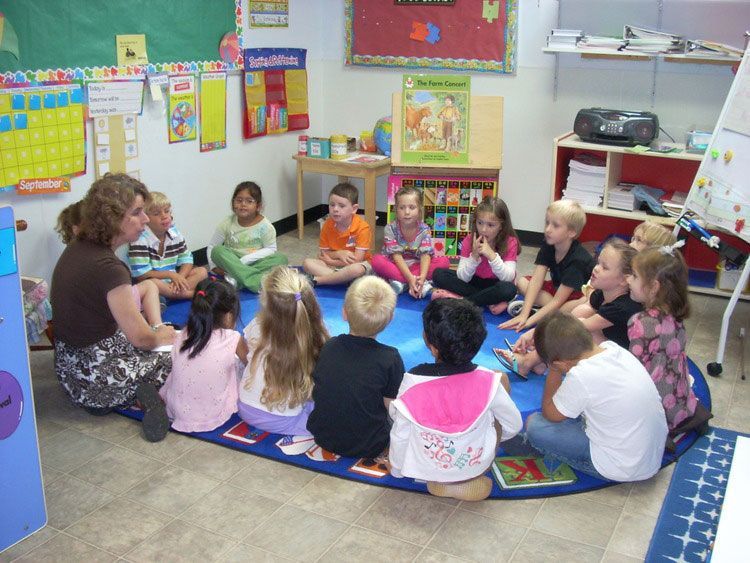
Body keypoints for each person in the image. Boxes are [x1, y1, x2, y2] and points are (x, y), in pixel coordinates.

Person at [50, 173, 176, 441]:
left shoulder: (77, 248)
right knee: (181, 352)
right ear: (112, 217)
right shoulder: (110, 269)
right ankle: (142, 392)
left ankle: (139, 390)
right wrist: (161, 335)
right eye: (137, 212)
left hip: (69, 372)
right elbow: (142, 339)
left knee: (143, 342)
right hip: (97, 381)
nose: (145, 219)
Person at [389, 299, 522, 502]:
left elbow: (400, 432)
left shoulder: (412, 381)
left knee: (403, 416)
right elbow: (514, 425)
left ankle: (437, 480)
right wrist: (491, 439)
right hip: (474, 464)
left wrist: (397, 469)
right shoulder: (489, 381)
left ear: (431, 346)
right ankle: (464, 478)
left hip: (424, 465)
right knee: (496, 407)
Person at [521, 312, 668, 482]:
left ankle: (544, 452)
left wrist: (553, 369)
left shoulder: (581, 375)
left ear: (561, 363)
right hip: (650, 457)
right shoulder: (615, 349)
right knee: (578, 408)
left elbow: (550, 414)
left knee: (535, 425)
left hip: (619, 467)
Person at [500, 239, 641, 377]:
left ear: (624, 280)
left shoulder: (624, 306)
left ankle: (528, 362)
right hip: (604, 347)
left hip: (618, 365)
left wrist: (536, 332)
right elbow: (572, 316)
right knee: (581, 311)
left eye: (605, 267)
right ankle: (542, 360)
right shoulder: (602, 293)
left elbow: (575, 327)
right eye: (598, 263)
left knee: (576, 330)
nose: (596, 268)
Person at [307, 276, 404, 458]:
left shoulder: (329, 346)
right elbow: (391, 406)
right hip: (369, 444)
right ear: (390, 319)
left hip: (322, 435)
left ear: (344, 313)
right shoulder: (390, 358)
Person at [627, 243, 712, 436]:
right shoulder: (675, 314)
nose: (628, 280)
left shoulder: (640, 322)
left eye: (634, 276)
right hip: (679, 400)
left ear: (654, 287)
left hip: (655, 407)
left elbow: (633, 371)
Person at [238, 266, 329, 436]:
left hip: (245, 408)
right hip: (285, 419)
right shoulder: (313, 332)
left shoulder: (256, 325)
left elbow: (247, 356)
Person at [159, 279, 248, 432]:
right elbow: (251, 363)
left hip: (177, 409)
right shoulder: (232, 338)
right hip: (211, 413)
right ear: (228, 316)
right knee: (240, 370)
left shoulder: (184, 334)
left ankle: (159, 403)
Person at [56, 200, 163, 324]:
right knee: (152, 287)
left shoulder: (78, 251)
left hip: (102, 308)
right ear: (77, 229)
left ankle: (153, 319)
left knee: (151, 287)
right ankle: (155, 323)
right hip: (102, 315)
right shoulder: (101, 261)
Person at [499, 200, 594, 332]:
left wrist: (529, 321)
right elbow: (536, 280)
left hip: (574, 294)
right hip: (556, 290)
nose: (548, 229)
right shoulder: (550, 243)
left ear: (571, 232)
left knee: (581, 304)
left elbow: (558, 300)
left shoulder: (578, 260)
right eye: (547, 222)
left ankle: (545, 312)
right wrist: (524, 314)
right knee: (522, 282)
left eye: (555, 226)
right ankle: (546, 312)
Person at [432, 197, 520, 315]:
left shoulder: (510, 242)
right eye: (480, 223)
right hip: (472, 282)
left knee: (509, 289)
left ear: (501, 226)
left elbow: (508, 278)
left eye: (490, 225)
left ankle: (461, 301)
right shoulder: (469, 240)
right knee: (438, 274)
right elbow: (463, 278)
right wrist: (473, 257)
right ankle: (486, 300)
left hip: (495, 284)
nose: (483, 229)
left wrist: (492, 256)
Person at [207, 181, 288, 292]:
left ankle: (237, 279)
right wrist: (213, 267)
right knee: (217, 251)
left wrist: (245, 260)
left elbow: (271, 249)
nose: (243, 204)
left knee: (281, 259)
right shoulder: (227, 223)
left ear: (258, 206)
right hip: (232, 260)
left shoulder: (265, 226)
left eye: (249, 201)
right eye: (239, 200)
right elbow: (212, 245)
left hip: (255, 261)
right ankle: (256, 283)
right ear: (233, 203)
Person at [371, 186, 450, 298]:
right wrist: (410, 278)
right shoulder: (390, 228)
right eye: (402, 208)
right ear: (396, 209)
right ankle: (413, 283)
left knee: (444, 262)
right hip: (396, 264)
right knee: (376, 260)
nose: (407, 212)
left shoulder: (425, 229)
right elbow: (396, 256)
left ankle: (404, 283)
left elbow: (425, 255)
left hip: (417, 265)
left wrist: (422, 277)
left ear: (419, 210)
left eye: (412, 207)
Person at [127, 191, 208, 299]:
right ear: (146, 218)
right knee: (153, 284)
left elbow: (187, 259)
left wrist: (180, 278)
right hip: (154, 284)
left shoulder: (174, 233)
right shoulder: (140, 240)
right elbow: (142, 274)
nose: (164, 216)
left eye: (166, 211)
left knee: (202, 271)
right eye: (156, 214)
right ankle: (191, 294)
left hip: (172, 283)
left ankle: (173, 294)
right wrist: (171, 275)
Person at [302, 182, 373, 286]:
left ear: (354, 209)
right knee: (307, 263)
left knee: (357, 269)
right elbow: (323, 255)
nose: (335, 209)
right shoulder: (327, 225)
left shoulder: (362, 228)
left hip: (355, 265)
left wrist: (332, 262)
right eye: (332, 205)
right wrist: (339, 254)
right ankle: (341, 279)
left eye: (341, 206)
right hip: (333, 266)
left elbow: (357, 260)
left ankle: (319, 280)